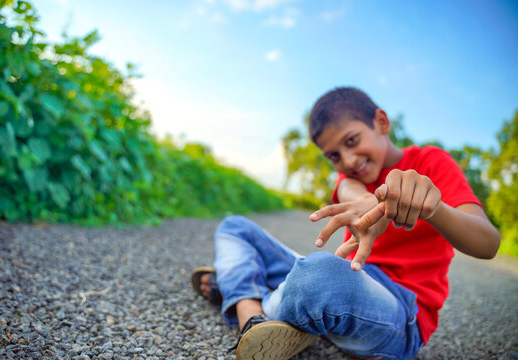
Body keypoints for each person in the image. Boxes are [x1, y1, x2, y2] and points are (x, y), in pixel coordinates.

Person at [191, 87, 500, 360]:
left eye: (352, 141)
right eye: (335, 156)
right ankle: (253, 316)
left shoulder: (432, 162)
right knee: (235, 226)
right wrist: (367, 203)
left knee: (319, 277)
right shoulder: (350, 180)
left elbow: (488, 244)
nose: (348, 160)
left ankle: (244, 291)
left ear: (381, 122)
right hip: (349, 280)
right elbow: (349, 190)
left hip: (400, 314)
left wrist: (435, 209)